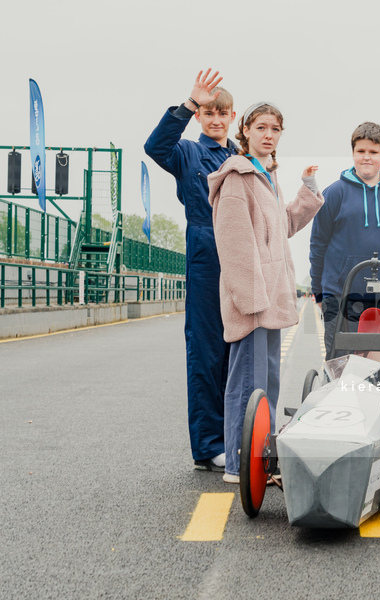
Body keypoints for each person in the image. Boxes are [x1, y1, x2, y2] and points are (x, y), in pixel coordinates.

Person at [208, 102, 324, 484]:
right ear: (246, 132)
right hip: (254, 300)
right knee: (247, 383)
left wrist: (307, 191)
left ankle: (259, 461)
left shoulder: (265, 176)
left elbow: (284, 225)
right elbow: (235, 245)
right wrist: (252, 300)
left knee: (266, 381)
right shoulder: (238, 177)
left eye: (275, 128)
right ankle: (239, 465)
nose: (269, 134)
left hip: (269, 298)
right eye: (261, 127)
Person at [144, 69, 236, 472]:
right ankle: (208, 444)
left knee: (238, 350)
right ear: (200, 117)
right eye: (208, 112)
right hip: (205, 248)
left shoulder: (240, 157)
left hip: (240, 253)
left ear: (233, 116)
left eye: (222, 112)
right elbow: (155, 146)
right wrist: (188, 103)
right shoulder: (188, 153)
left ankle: (235, 434)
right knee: (206, 348)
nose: (215, 119)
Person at [308, 122, 380, 357]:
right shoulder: (334, 193)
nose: (366, 158)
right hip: (338, 293)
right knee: (340, 361)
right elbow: (318, 245)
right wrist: (318, 290)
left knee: (377, 361)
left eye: (373, 152)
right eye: (361, 151)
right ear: (353, 154)